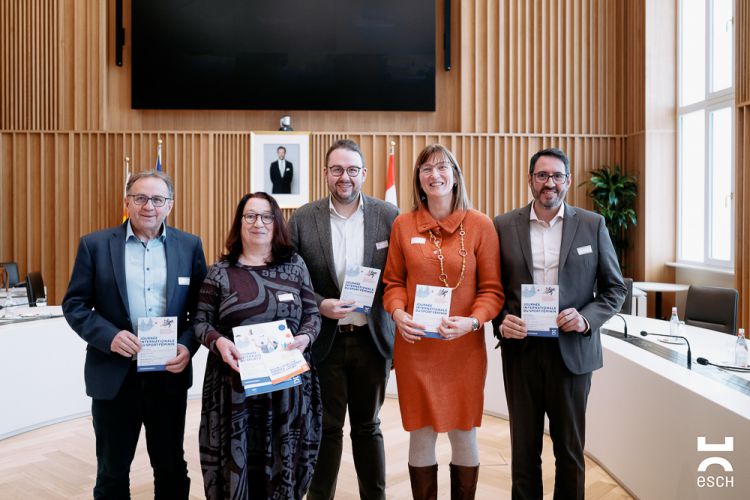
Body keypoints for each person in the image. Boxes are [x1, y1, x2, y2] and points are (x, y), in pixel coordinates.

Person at [62, 170, 207, 499]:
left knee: (170, 466)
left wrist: (187, 345)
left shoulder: (189, 245)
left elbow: (202, 309)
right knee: (112, 471)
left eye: (157, 199)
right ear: (127, 202)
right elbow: (75, 304)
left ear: (170, 205)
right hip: (114, 375)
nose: (149, 206)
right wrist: (108, 336)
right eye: (140, 198)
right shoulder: (95, 245)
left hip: (168, 374)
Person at [492, 147, 626, 499]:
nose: (548, 183)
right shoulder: (503, 226)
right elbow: (491, 290)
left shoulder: (593, 225)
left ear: (567, 181)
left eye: (556, 176)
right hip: (521, 354)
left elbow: (614, 290)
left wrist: (585, 319)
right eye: (541, 175)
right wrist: (501, 320)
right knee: (523, 452)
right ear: (530, 180)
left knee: (569, 451)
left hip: (572, 355)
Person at [383, 144, 504, 500]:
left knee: (463, 433)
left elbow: (492, 290)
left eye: (441, 167)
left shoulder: (480, 225)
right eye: (426, 169)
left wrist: (473, 322)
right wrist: (398, 313)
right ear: (419, 180)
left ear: (455, 175)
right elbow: (392, 283)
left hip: (462, 349)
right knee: (420, 433)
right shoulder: (403, 225)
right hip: (416, 347)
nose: (434, 175)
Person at [288, 139, 399, 500]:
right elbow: (291, 280)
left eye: (352, 170)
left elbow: (399, 277)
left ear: (364, 174)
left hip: (372, 339)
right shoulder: (303, 219)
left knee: (368, 427)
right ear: (325, 174)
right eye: (337, 169)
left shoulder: (388, 216)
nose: (345, 177)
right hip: (325, 342)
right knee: (326, 429)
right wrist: (320, 305)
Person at [194, 192, 322, 499]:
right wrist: (219, 342)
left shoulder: (294, 266)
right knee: (239, 467)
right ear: (239, 223)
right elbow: (200, 322)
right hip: (234, 390)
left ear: (276, 224)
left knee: (284, 463)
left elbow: (313, 314)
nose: (258, 223)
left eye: (266, 216)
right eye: (250, 216)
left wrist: (304, 338)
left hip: (287, 389)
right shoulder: (221, 271)